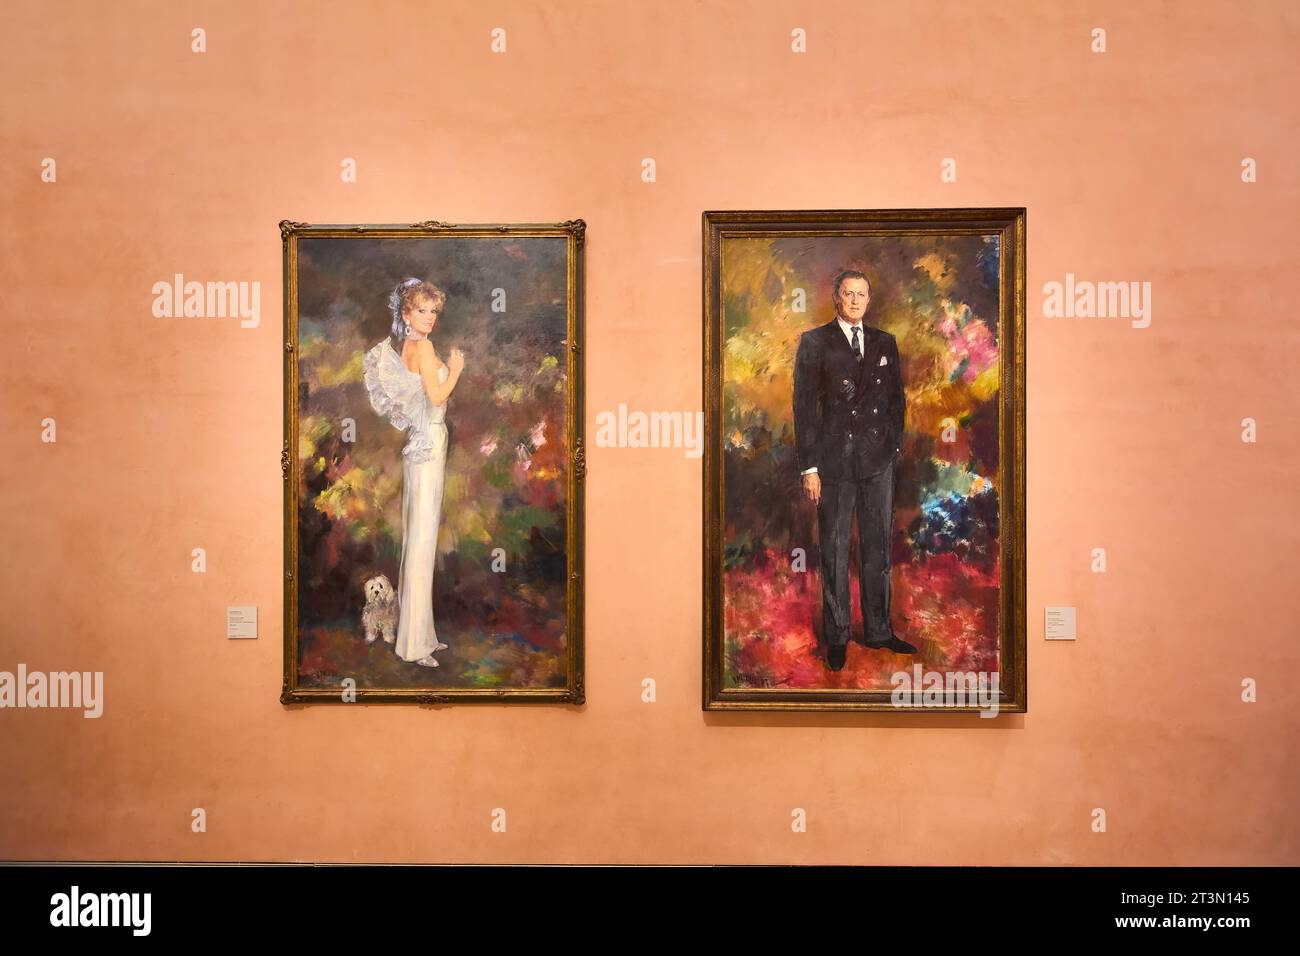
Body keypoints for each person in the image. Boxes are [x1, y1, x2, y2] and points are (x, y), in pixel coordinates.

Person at [792, 269, 916, 672]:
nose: (856, 300)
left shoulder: (885, 342)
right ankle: (839, 635)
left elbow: (897, 399)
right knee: (835, 548)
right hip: (833, 463)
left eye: (862, 294)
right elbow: (805, 409)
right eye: (849, 294)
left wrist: (894, 445)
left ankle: (879, 630)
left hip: (877, 461)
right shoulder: (814, 342)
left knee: (878, 547)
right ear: (836, 297)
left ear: (869, 298)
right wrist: (809, 467)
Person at [362, 278, 465, 667]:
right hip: (428, 445)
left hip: (423, 445)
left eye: (434, 311)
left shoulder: (409, 345)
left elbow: (424, 398)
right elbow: (437, 396)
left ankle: (421, 634)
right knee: (421, 543)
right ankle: (415, 645)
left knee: (419, 542)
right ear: (406, 314)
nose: (430, 318)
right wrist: (454, 370)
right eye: (422, 310)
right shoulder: (424, 348)